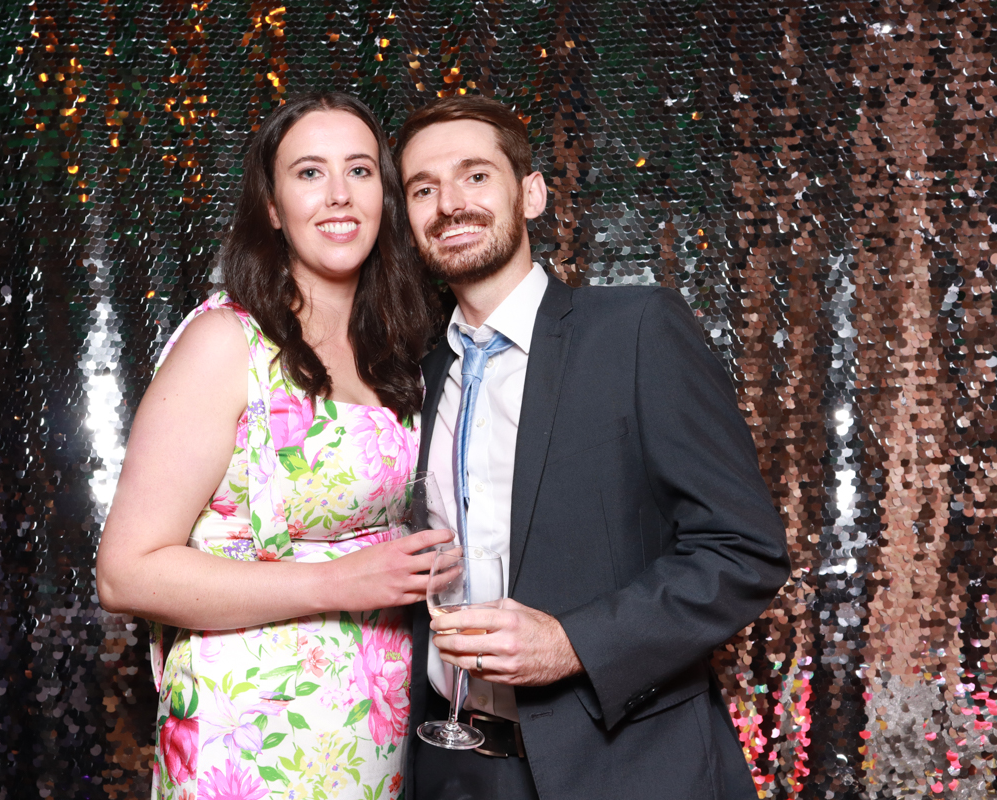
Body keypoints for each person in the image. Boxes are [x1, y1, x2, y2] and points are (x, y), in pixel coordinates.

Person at [395, 95, 791, 800]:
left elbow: (744, 551)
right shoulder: (415, 376)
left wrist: (573, 644)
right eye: (424, 189)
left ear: (533, 194)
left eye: (476, 177)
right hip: (456, 767)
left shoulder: (636, 331)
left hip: (625, 764)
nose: (449, 204)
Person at [95, 93, 452, 800]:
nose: (339, 195)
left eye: (359, 170)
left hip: (372, 720)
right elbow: (125, 574)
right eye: (309, 173)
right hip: (248, 729)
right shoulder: (225, 343)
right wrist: (336, 584)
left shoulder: (396, 346)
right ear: (272, 206)